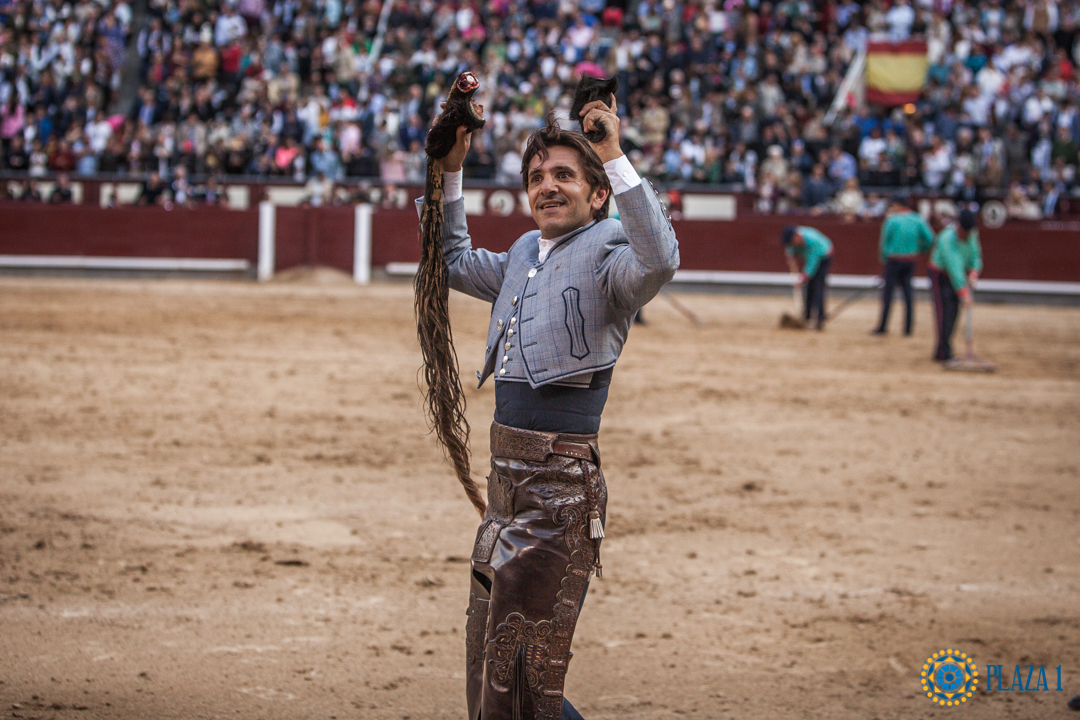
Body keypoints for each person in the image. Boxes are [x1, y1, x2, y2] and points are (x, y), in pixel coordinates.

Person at [417, 98, 679, 720]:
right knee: (492, 680)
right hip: (504, 488)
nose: (547, 186)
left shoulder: (614, 256)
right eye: (536, 177)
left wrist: (613, 152)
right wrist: (450, 170)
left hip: (560, 491)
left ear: (596, 196)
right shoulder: (520, 257)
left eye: (564, 175)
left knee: (523, 683)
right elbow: (450, 259)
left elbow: (661, 258)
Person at [872, 195, 934, 336]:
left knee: (888, 295)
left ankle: (883, 327)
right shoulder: (917, 219)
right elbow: (930, 239)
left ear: (897, 205)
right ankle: (908, 328)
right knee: (908, 294)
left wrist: (883, 262)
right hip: (910, 260)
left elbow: (884, 242)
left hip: (893, 261)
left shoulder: (892, 220)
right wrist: (920, 250)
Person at [928, 208, 983, 362]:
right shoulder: (947, 238)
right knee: (944, 310)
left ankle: (945, 348)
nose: (966, 235)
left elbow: (975, 255)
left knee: (953, 311)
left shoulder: (972, 234)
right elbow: (955, 268)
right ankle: (942, 352)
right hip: (940, 275)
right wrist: (964, 292)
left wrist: (974, 272)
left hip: (956, 276)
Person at [782, 225, 833, 331]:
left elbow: (812, 261)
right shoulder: (794, 240)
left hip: (823, 256)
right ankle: (806, 317)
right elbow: (789, 248)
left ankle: (819, 320)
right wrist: (789, 253)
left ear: (797, 236)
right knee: (809, 287)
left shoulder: (811, 241)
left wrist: (805, 276)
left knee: (818, 287)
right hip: (812, 258)